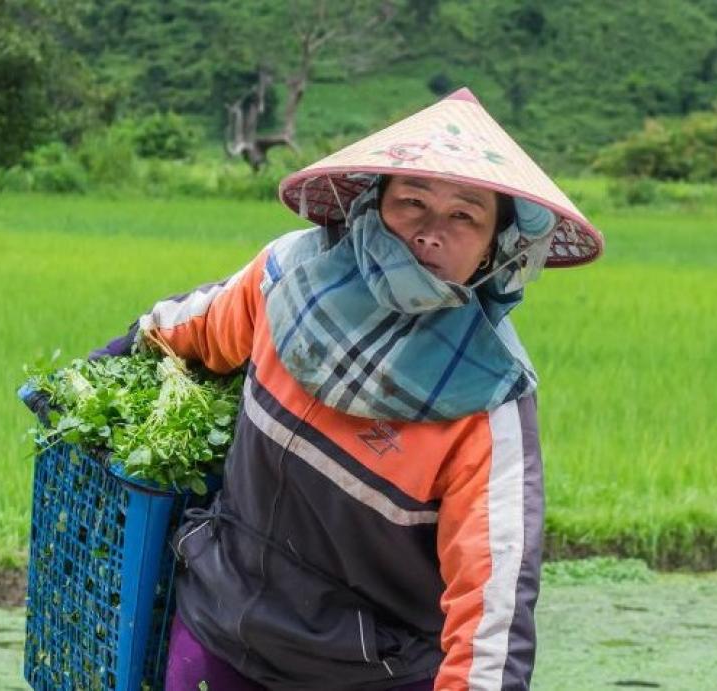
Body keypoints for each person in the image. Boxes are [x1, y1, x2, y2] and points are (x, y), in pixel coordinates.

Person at [91, 88, 603, 690]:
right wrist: (100, 369)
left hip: (367, 675)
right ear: (372, 203)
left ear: (496, 247)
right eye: (412, 201)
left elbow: (492, 614)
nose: (431, 232)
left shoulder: (491, 405)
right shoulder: (290, 277)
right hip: (219, 636)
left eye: (465, 215)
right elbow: (196, 326)